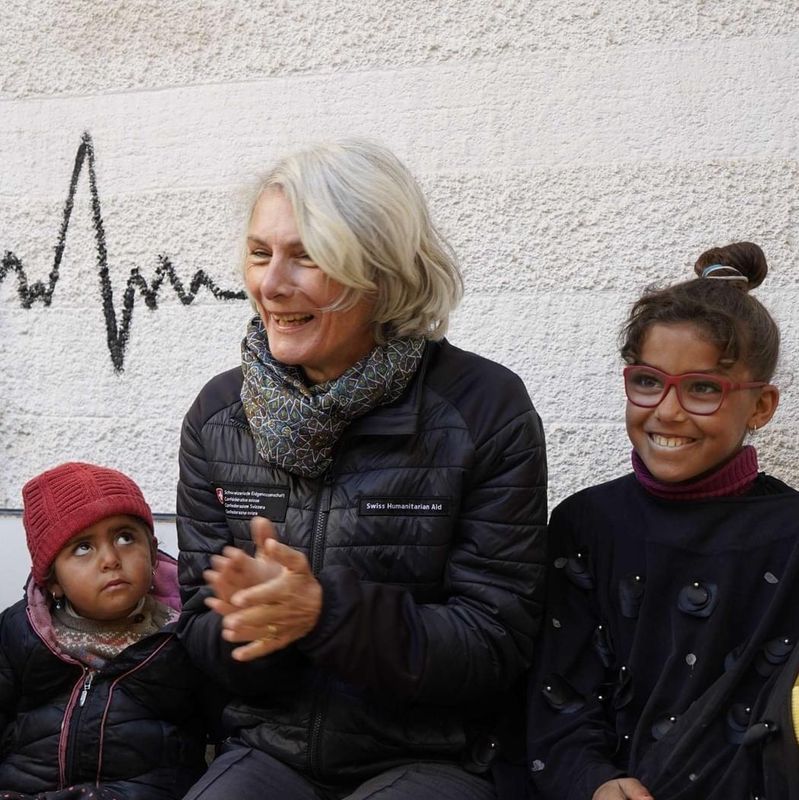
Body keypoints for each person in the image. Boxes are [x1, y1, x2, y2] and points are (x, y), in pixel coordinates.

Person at [176, 139, 547, 800]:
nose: (271, 284)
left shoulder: (484, 410)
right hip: (270, 749)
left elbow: (493, 642)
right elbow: (201, 631)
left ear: (381, 272)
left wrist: (323, 614)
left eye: (307, 257)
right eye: (260, 254)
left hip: (431, 758)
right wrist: (255, 627)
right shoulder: (219, 416)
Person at [527, 242, 799, 800]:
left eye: (704, 389)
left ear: (762, 406)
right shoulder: (587, 525)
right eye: (649, 381)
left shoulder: (791, 535)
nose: (667, 411)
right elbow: (556, 693)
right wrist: (593, 782)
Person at [0, 462, 208, 800]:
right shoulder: (20, 631)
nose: (110, 558)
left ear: (153, 554)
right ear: (53, 582)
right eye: (83, 547)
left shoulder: (181, 636)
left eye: (126, 537)